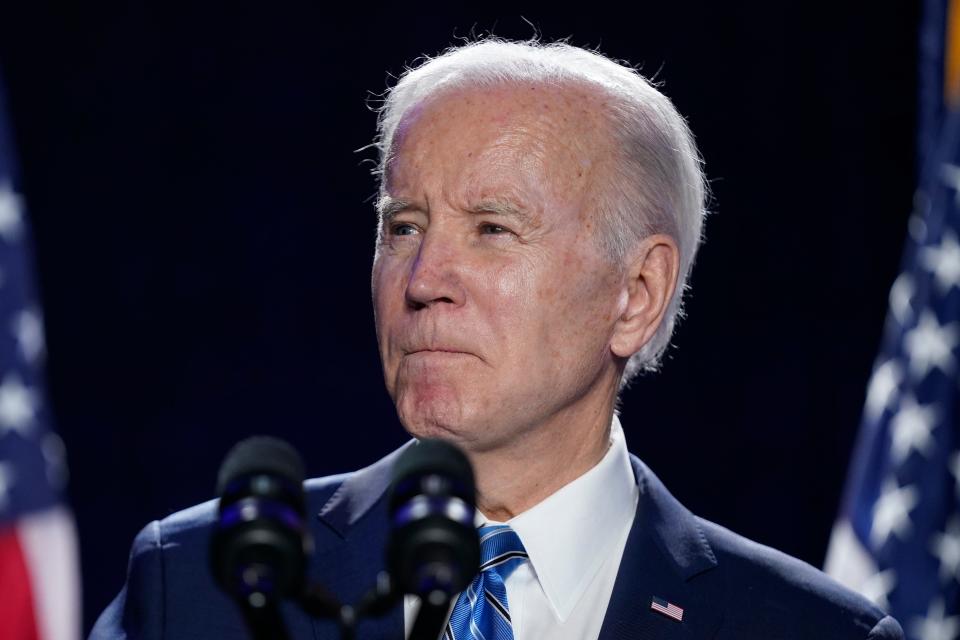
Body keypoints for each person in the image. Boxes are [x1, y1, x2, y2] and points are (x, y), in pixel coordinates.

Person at [90, 39, 904, 640]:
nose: (423, 278)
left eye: (492, 229)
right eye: (404, 226)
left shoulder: (806, 632)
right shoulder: (195, 585)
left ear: (637, 294)